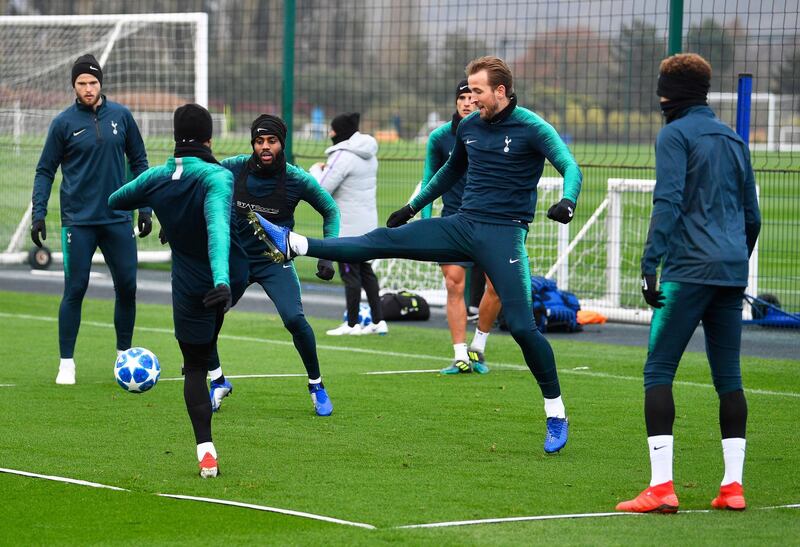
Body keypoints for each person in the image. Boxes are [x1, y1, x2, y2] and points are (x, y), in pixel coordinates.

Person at [250, 56, 582, 453]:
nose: (469, 98)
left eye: (476, 91)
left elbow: (570, 166)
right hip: (461, 224)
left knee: (525, 329)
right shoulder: (470, 127)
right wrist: (412, 207)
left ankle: (555, 411)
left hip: (504, 234)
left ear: (500, 90)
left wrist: (568, 201)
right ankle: (296, 244)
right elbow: (449, 172)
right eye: (467, 91)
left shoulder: (532, 127)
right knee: (382, 240)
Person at [616, 53, 761, 513]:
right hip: (731, 271)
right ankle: (732, 488)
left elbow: (669, 200)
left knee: (658, 371)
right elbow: (752, 215)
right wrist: (735, 259)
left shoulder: (674, 135)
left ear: (669, 93)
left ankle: (661, 488)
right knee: (729, 377)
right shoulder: (735, 139)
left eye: (661, 88)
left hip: (687, 270)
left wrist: (649, 263)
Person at [108, 103, 249, 478]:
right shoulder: (216, 177)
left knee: (194, 368)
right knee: (202, 355)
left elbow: (116, 199)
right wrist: (222, 280)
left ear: (173, 137)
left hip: (188, 287)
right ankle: (214, 378)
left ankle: (206, 453)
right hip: (226, 281)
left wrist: (157, 204)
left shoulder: (157, 177)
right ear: (209, 138)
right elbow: (217, 228)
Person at [208, 114, 340, 416]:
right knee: (208, 317)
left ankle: (316, 385)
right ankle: (217, 381)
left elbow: (330, 210)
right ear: (253, 143)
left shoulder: (297, 179)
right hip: (235, 260)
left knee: (294, 319)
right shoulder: (233, 167)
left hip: (274, 262)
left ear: (282, 143)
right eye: (259, 141)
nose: (265, 147)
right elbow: (199, 181)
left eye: (271, 141)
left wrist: (327, 252)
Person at [31, 54, 151, 385]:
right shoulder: (63, 123)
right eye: (82, 83)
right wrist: (38, 212)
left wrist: (145, 207)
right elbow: (45, 170)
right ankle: (66, 363)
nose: (88, 88)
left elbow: (140, 162)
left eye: (93, 82)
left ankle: (123, 357)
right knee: (76, 288)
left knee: (127, 287)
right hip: (78, 221)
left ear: (101, 83)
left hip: (117, 218)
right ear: (74, 86)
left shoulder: (122, 117)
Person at [419, 79, 502, 375]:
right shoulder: (440, 137)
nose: (467, 102)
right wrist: (425, 220)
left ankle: (478, 347)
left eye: (472, 96)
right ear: (455, 102)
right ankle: (459, 355)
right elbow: (429, 180)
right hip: (453, 220)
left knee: (497, 286)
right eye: (462, 97)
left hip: (492, 222)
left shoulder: (494, 131)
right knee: (454, 284)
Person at [309, 112, 388, 336]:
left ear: (340, 132)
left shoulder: (343, 156)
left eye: (332, 130)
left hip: (347, 227)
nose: (330, 134)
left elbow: (322, 189)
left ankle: (352, 324)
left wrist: (315, 170)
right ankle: (378, 320)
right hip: (368, 223)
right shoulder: (369, 154)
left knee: (350, 274)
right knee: (366, 271)